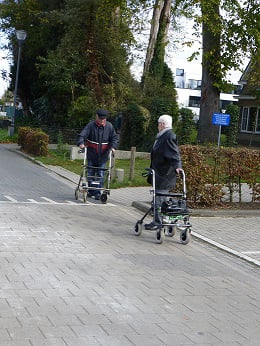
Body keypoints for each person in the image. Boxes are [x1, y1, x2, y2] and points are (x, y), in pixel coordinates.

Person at [145, 114, 183, 230]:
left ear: (162, 124)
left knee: (159, 199)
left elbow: (174, 153)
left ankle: (158, 222)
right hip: (160, 173)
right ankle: (159, 220)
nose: (158, 126)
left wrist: (177, 166)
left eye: (158, 124)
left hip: (164, 174)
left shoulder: (168, 136)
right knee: (158, 198)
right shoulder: (163, 135)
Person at [77, 109, 118, 200]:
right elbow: (82, 135)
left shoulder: (109, 127)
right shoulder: (91, 125)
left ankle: (97, 192)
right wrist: (81, 143)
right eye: (100, 119)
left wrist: (113, 147)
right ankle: (91, 190)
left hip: (103, 155)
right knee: (90, 172)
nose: (102, 121)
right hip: (92, 153)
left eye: (104, 119)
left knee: (101, 173)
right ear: (97, 117)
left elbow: (114, 139)